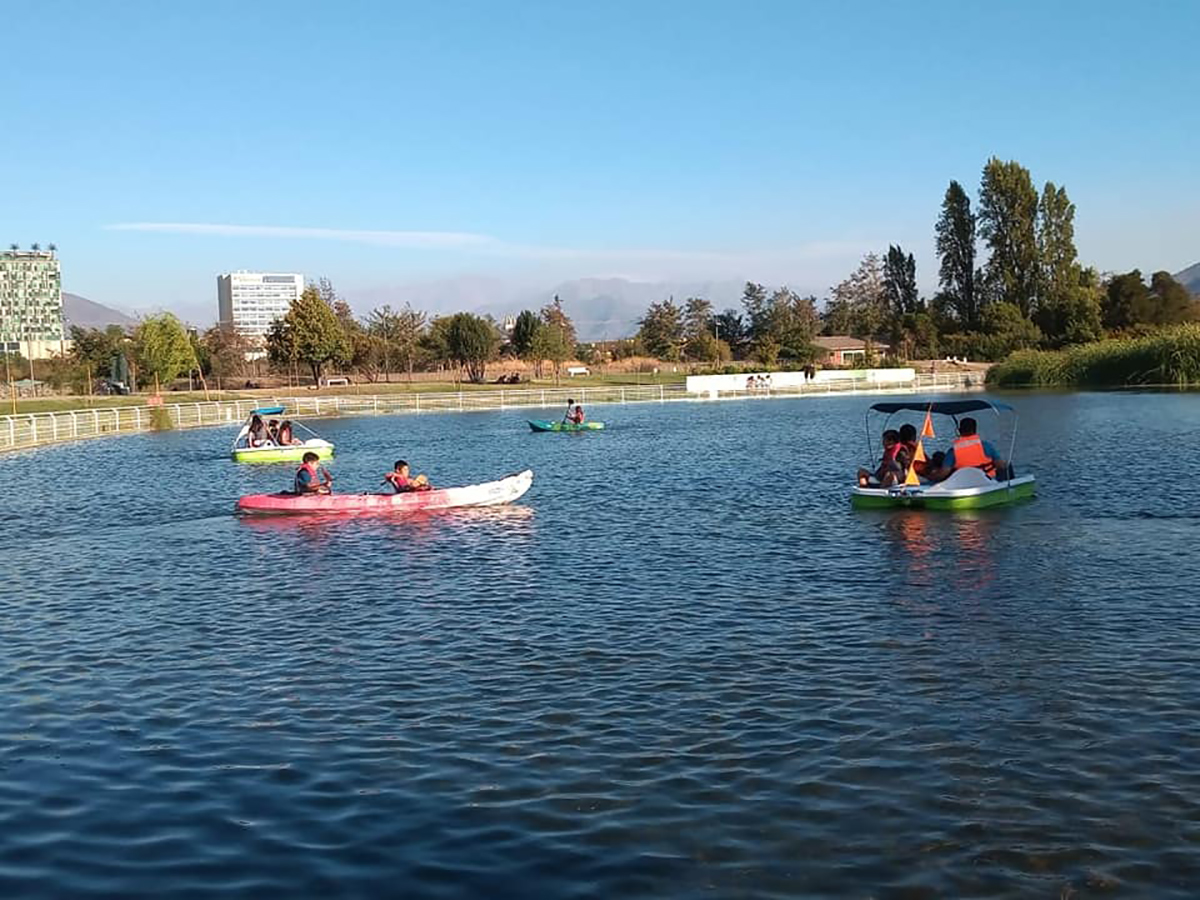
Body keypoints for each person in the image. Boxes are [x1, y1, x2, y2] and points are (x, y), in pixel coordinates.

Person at [933, 417, 1007, 480]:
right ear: (975, 430)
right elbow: (1000, 465)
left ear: (959, 431)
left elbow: (943, 473)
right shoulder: (986, 446)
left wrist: (930, 477)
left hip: (964, 482)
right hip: (987, 480)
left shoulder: (953, 451)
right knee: (1007, 465)